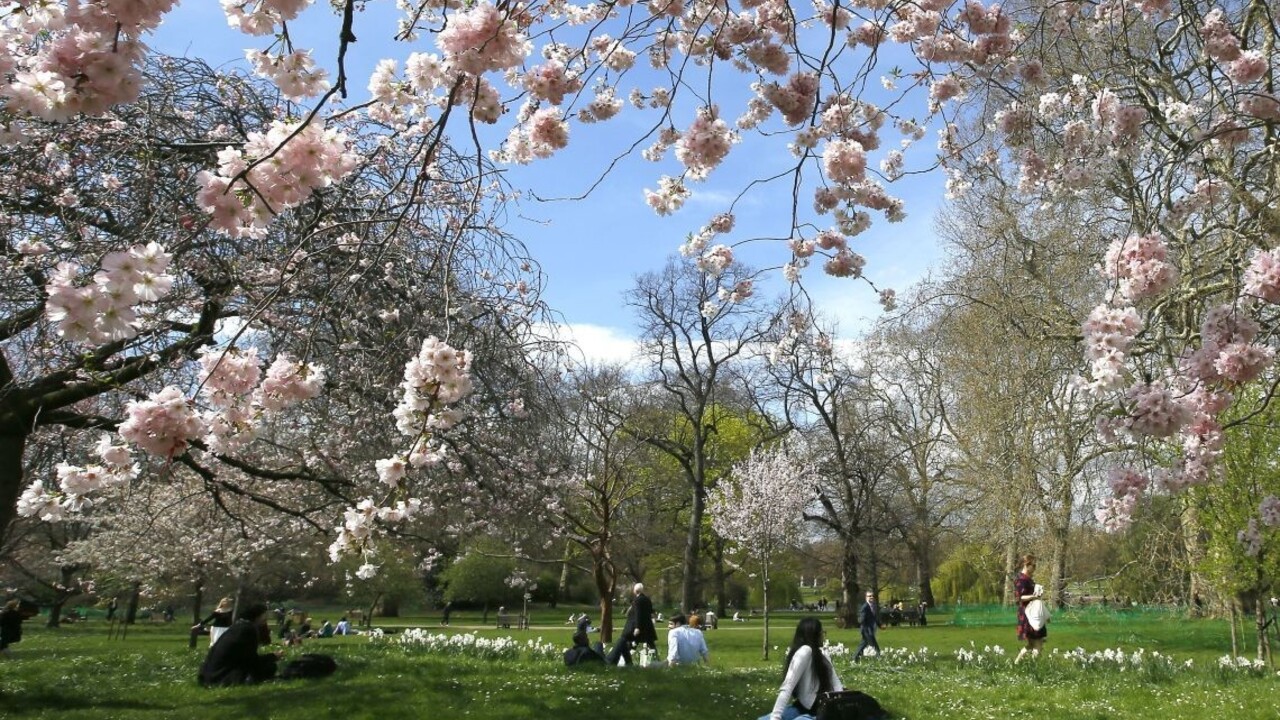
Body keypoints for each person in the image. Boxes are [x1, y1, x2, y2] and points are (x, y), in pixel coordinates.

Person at [758, 617, 843, 720]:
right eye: (821, 632)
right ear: (814, 635)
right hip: (802, 708)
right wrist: (775, 717)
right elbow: (788, 686)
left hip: (823, 711)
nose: (823, 636)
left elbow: (837, 686)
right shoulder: (804, 652)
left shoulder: (823, 655)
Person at [198, 602, 282, 686]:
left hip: (207, 676)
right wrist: (273, 656)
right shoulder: (248, 630)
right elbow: (251, 661)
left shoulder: (237, 627)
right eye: (264, 615)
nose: (266, 618)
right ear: (257, 616)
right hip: (221, 678)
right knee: (270, 667)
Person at [606, 582, 657, 666]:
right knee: (650, 643)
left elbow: (638, 614)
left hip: (636, 626)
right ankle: (655, 659)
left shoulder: (637, 600)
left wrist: (637, 627)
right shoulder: (647, 599)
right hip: (647, 626)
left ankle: (624, 660)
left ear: (635, 591)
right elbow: (650, 611)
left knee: (628, 642)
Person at [1014, 553, 1047, 664]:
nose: (1034, 568)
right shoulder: (1022, 579)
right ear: (1026, 564)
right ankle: (1033, 668)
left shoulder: (1028, 579)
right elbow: (1019, 597)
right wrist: (1034, 596)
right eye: (1033, 565)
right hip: (1029, 615)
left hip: (1033, 613)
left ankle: (1016, 663)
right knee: (1038, 643)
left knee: (1032, 644)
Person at [853, 591, 880, 662]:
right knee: (875, 646)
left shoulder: (873, 606)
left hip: (869, 630)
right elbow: (862, 620)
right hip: (866, 630)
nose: (871, 597)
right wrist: (864, 626)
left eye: (872, 596)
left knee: (863, 644)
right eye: (869, 596)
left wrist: (880, 625)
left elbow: (874, 618)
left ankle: (855, 658)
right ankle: (879, 657)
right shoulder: (865, 607)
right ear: (866, 598)